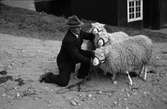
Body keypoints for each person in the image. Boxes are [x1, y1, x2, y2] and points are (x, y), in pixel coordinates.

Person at [40, 15, 95, 87]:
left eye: (79, 26)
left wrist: (98, 34)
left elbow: (89, 36)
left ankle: (81, 74)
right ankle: (48, 76)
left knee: (90, 54)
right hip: (65, 61)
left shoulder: (79, 32)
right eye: (78, 27)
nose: (80, 28)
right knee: (63, 82)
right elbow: (76, 56)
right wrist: (88, 61)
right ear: (72, 29)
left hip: (75, 53)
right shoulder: (68, 40)